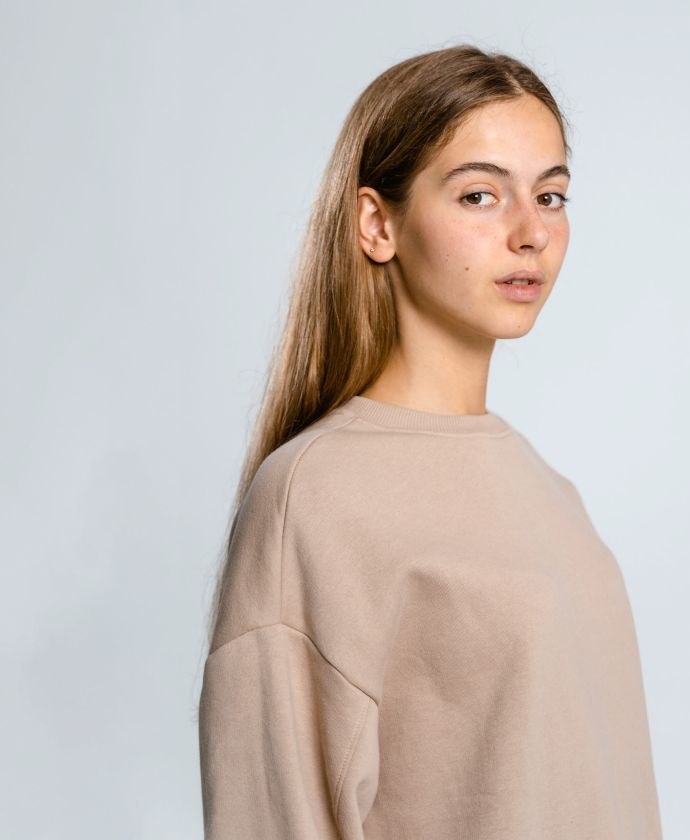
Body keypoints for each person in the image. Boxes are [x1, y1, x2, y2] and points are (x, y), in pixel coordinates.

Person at [197, 43, 663, 839]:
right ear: (378, 223)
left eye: (550, 196)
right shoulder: (313, 497)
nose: (530, 232)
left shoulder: (552, 493)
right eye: (480, 195)